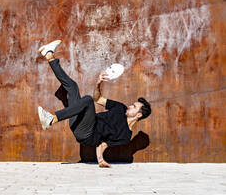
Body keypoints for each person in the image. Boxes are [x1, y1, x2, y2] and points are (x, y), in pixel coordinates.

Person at [37, 40, 151, 168]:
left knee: (87, 100)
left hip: (87, 135)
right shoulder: (120, 107)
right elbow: (98, 99)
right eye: (132, 104)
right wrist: (98, 83)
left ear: (139, 115)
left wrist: (100, 160)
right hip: (79, 122)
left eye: (134, 107)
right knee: (72, 86)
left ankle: (52, 119)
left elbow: (103, 144)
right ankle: (49, 55)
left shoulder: (125, 136)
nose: (130, 106)